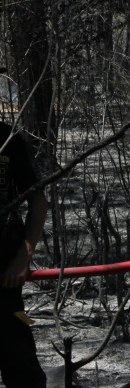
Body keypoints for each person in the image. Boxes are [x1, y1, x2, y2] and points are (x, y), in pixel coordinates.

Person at [0, 117, 48, 388]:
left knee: (20, 360)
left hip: (5, 275)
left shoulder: (9, 139)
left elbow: (38, 201)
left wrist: (22, 259)